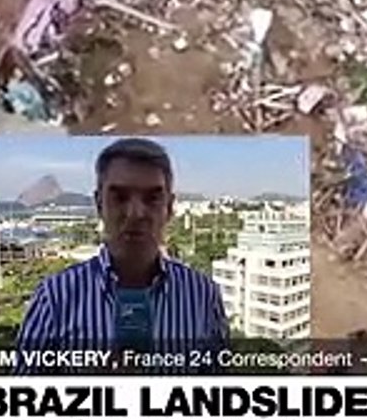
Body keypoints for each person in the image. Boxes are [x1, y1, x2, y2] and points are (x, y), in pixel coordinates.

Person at [15, 137, 229, 371]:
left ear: (169, 207)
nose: (136, 213)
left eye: (152, 198)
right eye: (120, 197)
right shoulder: (55, 297)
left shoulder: (202, 295)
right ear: (99, 204)